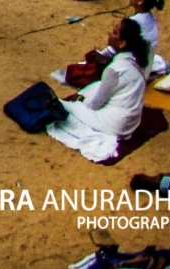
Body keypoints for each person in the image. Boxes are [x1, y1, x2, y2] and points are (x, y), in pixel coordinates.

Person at [46, 18, 150, 162]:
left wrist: (82, 100)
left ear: (122, 43)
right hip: (130, 124)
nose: (109, 33)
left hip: (116, 125)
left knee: (64, 105)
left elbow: (94, 105)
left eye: (114, 33)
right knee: (96, 86)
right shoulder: (136, 62)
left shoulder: (115, 69)